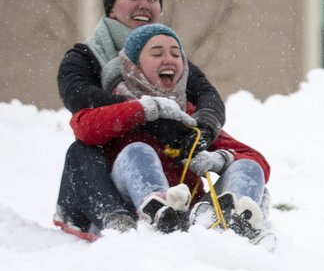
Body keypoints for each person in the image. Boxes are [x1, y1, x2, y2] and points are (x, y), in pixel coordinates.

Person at [54, 0, 226, 236]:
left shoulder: (173, 60)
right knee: (82, 150)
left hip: (157, 168)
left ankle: (171, 210)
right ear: (111, 9)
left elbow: (208, 97)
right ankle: (114, 219)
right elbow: (79, 95)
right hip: (105, 170)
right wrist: (148, 116)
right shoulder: (84, 56)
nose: (144, 4)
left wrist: (202, 130)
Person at [69, 23, 274, 247]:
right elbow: (83, 127)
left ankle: (233, 223)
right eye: (157, 53)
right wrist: (144, 110)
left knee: (248, 166)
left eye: (176, 54)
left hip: (188, 217)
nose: (169, 59)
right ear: (133, 65)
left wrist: (220, 159)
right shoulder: (116, 106)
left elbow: (256, 160)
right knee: (138, 151)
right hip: (130, 210)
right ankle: (158, 212)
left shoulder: (187, 116)